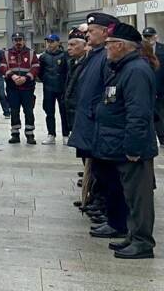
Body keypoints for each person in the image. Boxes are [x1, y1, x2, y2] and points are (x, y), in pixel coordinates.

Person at [98, 22, 157, 259]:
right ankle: (134, 236)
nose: (106, 49)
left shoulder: (136, 71)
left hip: (134, 147)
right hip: (122, 144)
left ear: (120, 46)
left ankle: (143, 241)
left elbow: (139, 113)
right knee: (130, 195)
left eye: (109, 44)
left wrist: (133, 147)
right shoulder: (124, 68)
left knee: (139, 197)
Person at [69, 13, 129, 239]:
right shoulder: (95, 55)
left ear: (106, 32)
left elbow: (106, 91)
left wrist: (96, 116)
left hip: (99, 125)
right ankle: (105, 210)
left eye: (92, 31)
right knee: (100, 172)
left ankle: (112, 217)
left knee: (109, 175)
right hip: (90, 123)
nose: (88, 34)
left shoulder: (105, 57)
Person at [4, 32, 40, 145]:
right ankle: (15, 134)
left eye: (20, 39)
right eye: (15, 39)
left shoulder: (31, 53)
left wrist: (26, 78)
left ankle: (30, 134)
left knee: (28, 111)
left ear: (24, 40)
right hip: (12, 87)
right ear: (12, 41)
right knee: (14, 111)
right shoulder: (6, 53)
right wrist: (13, 76)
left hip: (27, 87)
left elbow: (36, 67)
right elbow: (2, 66)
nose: (18, 42)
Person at [38, 34, 69, 144]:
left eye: (52, 41)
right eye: (48, 42)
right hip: (48, 88)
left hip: (61, 88)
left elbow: (68, 71)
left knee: (64, 112)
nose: (49, 44)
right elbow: (40, 73)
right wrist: (46, 80)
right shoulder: (43, 57)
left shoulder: (65, 55)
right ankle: (51, 134)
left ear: (58, 42)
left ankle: (66, 134)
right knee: (49, 112)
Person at [143, 27, 164, 145]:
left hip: (161, 87)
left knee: (161, 112)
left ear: (155, 36)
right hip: (148, 87)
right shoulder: (142, 50)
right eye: (146, 36)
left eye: (150, 36)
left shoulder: (162, 49)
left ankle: (162, 137)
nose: (148, 39)